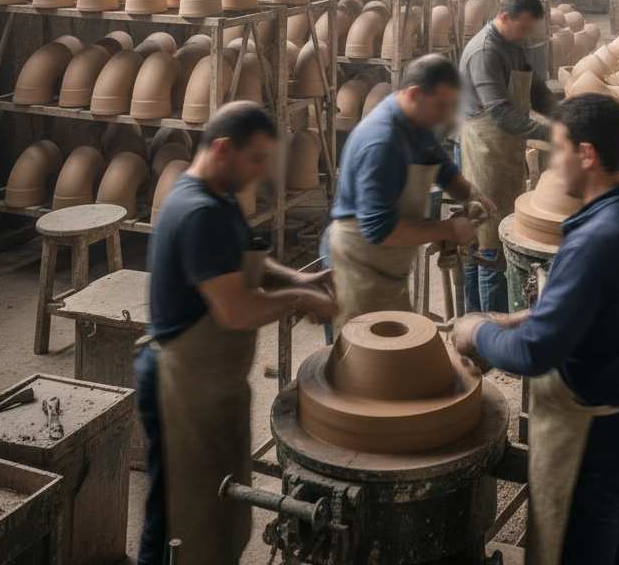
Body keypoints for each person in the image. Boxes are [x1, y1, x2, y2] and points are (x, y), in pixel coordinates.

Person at [454, 94, 619, 565]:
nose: (553, 164)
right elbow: (606, 311)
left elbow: (536, 353)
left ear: (587, 155)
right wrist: (516, 318)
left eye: (558, 150)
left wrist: (477, 333)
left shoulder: (594, 240)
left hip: (596, 438)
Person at [136, 102, 338, 565]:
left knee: (214, 509)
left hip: (211, 385)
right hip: (181, 386)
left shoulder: (218, 194)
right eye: (257, 159)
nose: (263, 171)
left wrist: (298, 280)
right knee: (180, 523)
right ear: (224, 148)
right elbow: (236, 308)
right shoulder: (197, 211)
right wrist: (301, 301)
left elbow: (244, 261)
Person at [328, 54, 488, 329]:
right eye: (441, 105)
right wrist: (448, 230)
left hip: (389, 269)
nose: (446, 115)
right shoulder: (381, 142)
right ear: (414, 94)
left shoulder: (418, 122)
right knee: (363, 363)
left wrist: (472, 195)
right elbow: (380, 230)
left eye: (451, 106)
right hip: (358, 269)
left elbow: (442, 167)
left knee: (398, 350)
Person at [458, 0, 554, 313]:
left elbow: (536, 89)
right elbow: (499, 113)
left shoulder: (512, 43)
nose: (527, 35)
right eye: (524, 27)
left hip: (503, 150)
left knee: (488, 239)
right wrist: (552, 133)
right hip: (483, 152)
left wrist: (564, 114)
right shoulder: (486, 51)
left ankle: (474, 320)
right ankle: (489, 332)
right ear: (506, 17)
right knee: (488, 249)